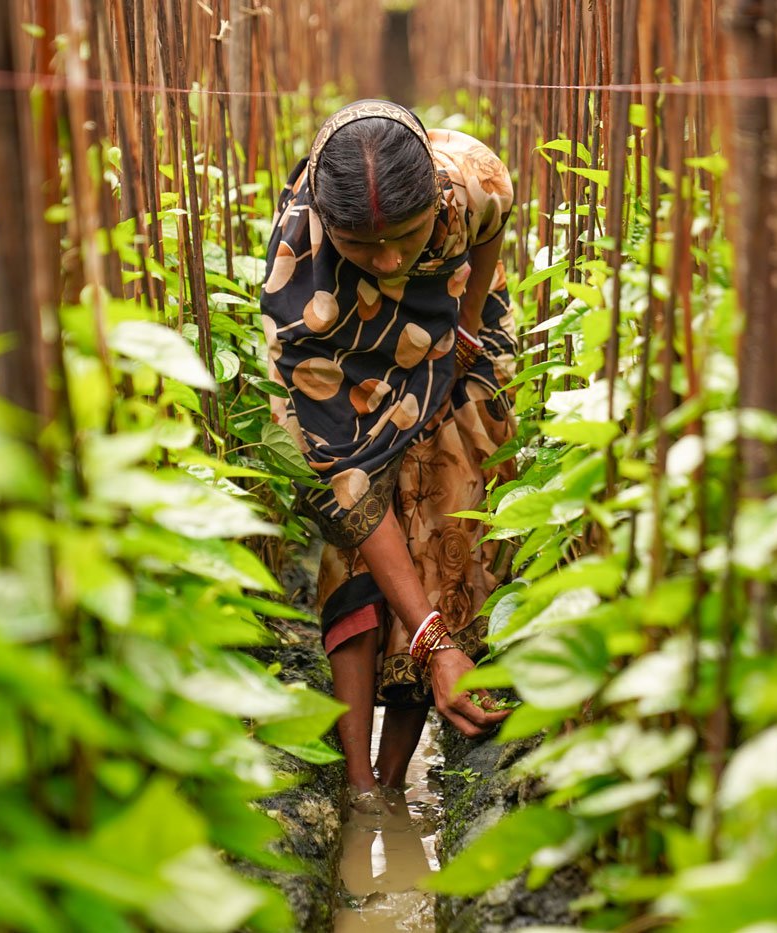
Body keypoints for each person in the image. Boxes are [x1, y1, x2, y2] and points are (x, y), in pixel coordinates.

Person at [260, 99, 517, 812]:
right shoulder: (298, 296)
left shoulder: (470, 182)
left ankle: (396, 772)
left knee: (446, 519)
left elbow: (496, 217)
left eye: (406, 237)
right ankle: (361, 788)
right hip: (349, 366)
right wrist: (432, 640)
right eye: (363, 247)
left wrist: (463, 335)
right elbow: (348, 479)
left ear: (435, 202)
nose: (391, 260)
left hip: (453, 335)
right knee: (360, 541)